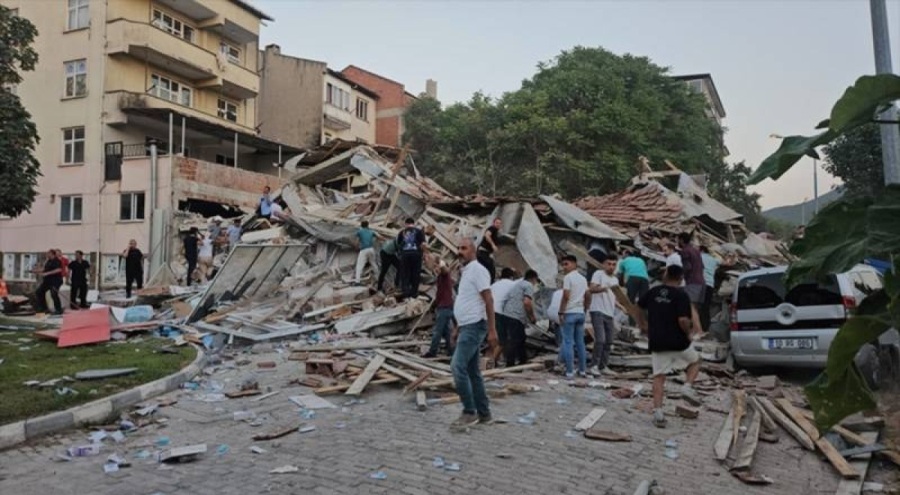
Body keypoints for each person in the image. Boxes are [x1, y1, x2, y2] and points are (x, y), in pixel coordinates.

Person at [636, 265, 702, 428]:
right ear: (681, 278)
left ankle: (658, 413)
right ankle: (687, 387)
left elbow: (638, 306)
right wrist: (689, 332)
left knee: (659, 377)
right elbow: (683, 320)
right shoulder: (681, 295)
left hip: (658, 341)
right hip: (678, 342)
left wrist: (642, 324)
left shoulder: (653, 291)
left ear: (665, 275)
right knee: (695, 362)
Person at [450, 237, 498, 429]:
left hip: (475, 326)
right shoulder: (467, 271)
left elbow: (489, 300)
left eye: (464, 248)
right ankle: (484, 414)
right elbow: (468, 301)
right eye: (458, 248)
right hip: (467, 325)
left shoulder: (478, 270)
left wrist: (492, 330)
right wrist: (458, 327)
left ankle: (469, 411)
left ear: (474, 250)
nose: (460, 251)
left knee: (457, 367)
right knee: (473, 372)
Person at [558, 255, 590, 379]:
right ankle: (582, 371)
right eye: (563, 264)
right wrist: (585, 309)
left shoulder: (568, 278)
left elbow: (566, 296)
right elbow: (587, 295)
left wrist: (561, 312)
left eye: (567, 264)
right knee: (580, 343)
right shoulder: (583, 279)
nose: (564, 267)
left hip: (570, 312)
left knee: (568, 342)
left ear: (574, 264)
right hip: (580, 313)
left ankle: (570, 372)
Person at [499, 269, 539, 367]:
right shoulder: (528, 285)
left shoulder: (517, 285)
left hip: (507, 314)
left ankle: (522, 360)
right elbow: (527, 302)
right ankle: (511, 363)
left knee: (519, 338)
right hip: (516, 316)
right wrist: (532, 317)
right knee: (515, 340)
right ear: (534, 279)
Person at [588, 254, 619, 376]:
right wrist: (604, 288)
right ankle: (593, 365)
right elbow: (591, 289)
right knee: (600, 339)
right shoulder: (598, 274)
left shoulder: (615, 280)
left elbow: (612, 297)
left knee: (609, 341)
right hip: (598, 311)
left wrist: (622, 307)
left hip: (609, 313)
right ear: (604, 264)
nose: (611, 267)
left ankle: (603, 366)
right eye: (609, 264)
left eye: (614, 264)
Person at [424, 259, 455, 358]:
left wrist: (440, 263)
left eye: (436, 267)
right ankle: (451, 350)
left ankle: (432, 351)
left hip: (445, 307)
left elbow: (445, 270)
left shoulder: (445, 275)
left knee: (438, 331)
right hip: (445, 306)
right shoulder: (440, 278)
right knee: (446, 331)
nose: (435, 269)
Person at [678, 232, 706, 334]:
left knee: (690, 307)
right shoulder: (696, 251)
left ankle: (699, 331)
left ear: (681, 240)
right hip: (701, 281)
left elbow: (687, 267)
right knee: (694, 307)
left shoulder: (685, 251)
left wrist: (680, 275)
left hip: (692, 281)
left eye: (678, 240)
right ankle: (695, 330)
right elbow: (702, 266)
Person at [490, 268, 517, 365]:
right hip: (500, 312)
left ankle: (495, 360)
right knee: (503, 340)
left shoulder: (494, 285)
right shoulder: (513, 284)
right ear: (511, 277)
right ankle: (491, 361)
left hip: (488, 312)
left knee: (495, 337)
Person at [396, 218, 427, 299]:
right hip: (416, 254)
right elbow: (423, 244)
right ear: (413, 223)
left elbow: (398, 244)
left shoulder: (402, 232)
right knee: (416, 273)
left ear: (406, 223)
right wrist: (424, 254)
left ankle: (406, 293)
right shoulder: (419, 231)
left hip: (405, 255)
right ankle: (414, 293)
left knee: (405, 273)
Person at [34, 249, 63, 315]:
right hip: (47, 281)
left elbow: (58, 270)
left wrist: (47, 273)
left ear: (52, 254)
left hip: (55, 281)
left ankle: (58, 310)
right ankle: (44, 308)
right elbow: (45, 269)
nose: (47, 255)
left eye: (48, 253)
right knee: (39, 292)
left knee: (54, 294)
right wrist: (36, 271)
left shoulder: (57, 261)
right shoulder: (48, 261)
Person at [700, 246, 719, 334]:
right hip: (710, 284)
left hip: (702, 284)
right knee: (706, 307)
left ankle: (700, 328)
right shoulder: (713, 259)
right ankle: (706, 328)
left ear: (702, 251)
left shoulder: (700, 257)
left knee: (698, 307)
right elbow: (725, 263)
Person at [477, 217, 501, 283]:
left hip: (484, 253)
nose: (498, 224)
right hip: (483, 252)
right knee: (491, 270)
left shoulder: (496, 232)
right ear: (493, 223)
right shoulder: (492, 228)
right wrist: (493, 245)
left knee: (485, 269)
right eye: (497, 223)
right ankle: (490, 284)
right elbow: (487, 235)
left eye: (499, 223)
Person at [354, 220, 378, 285]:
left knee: (359, 266)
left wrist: (356, 247)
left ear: (361, 225)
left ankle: (357, 281)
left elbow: (356, 242)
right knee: (373, 263)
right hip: (371, 249)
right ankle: (378, 278)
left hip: (364, 250)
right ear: (368, 225)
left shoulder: (359, 232)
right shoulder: (371, 231)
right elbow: (379, 236)